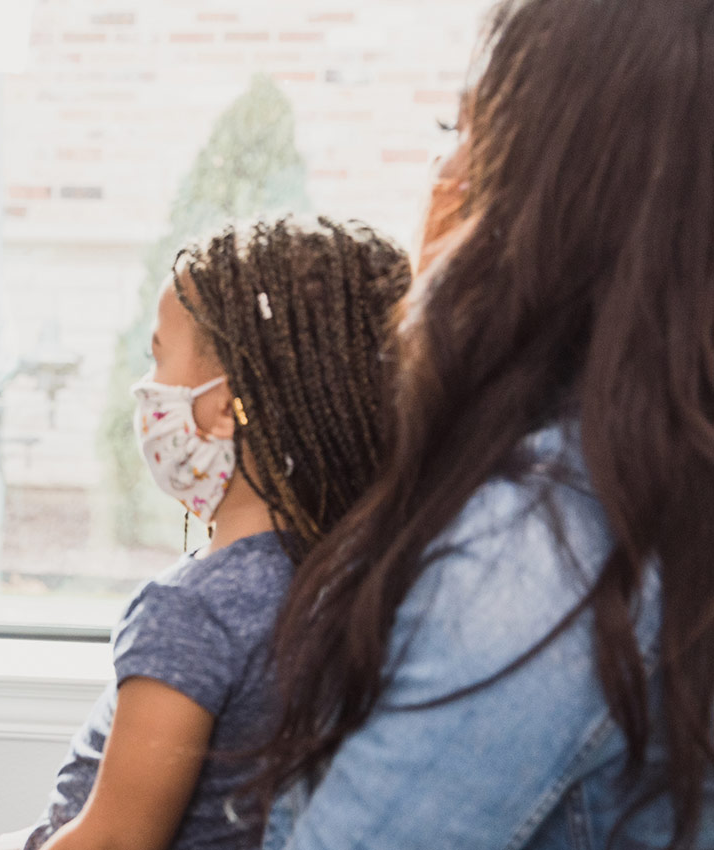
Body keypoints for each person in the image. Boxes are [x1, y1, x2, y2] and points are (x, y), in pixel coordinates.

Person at [251, 0, 714, 847]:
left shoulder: (540, 553)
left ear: (557, 188)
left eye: (467, 128)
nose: (444, 168)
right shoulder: (661, 485)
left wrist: (438, 329)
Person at [0, 216, 410, 850]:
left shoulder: (193, 611)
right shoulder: (355, 573)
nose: (147, 390)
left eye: (159, 357)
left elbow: (117, 842)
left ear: (224, 406)